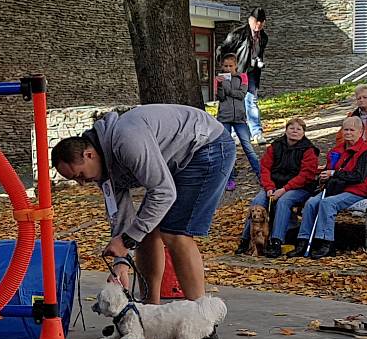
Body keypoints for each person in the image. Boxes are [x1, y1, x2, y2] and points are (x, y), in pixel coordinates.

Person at [51, 104, 235, 305]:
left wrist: (127, 240)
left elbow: (163, 193)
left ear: (89, 155)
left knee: (175, 232)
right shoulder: (101, 171)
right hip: (178, 159)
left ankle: (203, 321)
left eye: (79, 175)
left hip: (208, 146)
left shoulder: (126, 141)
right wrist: (121, 263)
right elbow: (120, 218)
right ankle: (149, 313)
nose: (82, 182)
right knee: (145, 231)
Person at [288, 117, 367, 259]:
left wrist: (334, 173)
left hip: (357, 190)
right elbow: (331, 168)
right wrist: (326, 175)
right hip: (336, 187)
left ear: (360, 132)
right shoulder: (337, 150)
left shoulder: (366, 152)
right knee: (311, 202)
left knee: (327, 203)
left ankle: (326, 242)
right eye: (345, 129)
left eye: (351, 130)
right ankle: (303, 241)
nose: (347, 133)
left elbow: (358, 176)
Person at [235, 117, 319, 258]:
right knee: (257, 201)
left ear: (303, 133)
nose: (295, 131)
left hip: (299, 187)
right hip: (274, 185)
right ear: (286, 130)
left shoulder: (309, 150)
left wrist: (284, 189)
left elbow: (306, 175)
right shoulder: (275, 146)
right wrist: (269, 187)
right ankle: (246, 239)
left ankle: (276, 241)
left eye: (299, 129)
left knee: (284, 201)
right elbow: (265, 168)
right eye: (291, 128)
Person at [216, 7, 268, 145]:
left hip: (252, 72)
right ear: (250, 20)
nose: (258, 25)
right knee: (235, 102)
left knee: (251, 100)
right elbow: (222, 49)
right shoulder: (238, 34)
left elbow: (258, 53)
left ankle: (256, 133)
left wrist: (258, 62)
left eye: (261, 23)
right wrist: (226, 67)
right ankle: (235, 134)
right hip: (237, 72)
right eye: (256, 22)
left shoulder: (263, 37)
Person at [215, 53, 259, 191]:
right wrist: (221, 85)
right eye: (225, 66)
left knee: (248, 146)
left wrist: (227, 87)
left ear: (236, 66)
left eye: (231, 66)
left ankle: (260, 173)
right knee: (226, 148)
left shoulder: (242, 77)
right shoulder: (219, 79)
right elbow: (221, 97)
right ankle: (229, 178)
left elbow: (241, 95)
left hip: (240, 118)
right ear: (222, 66)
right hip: (224, 117)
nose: (228, 68)